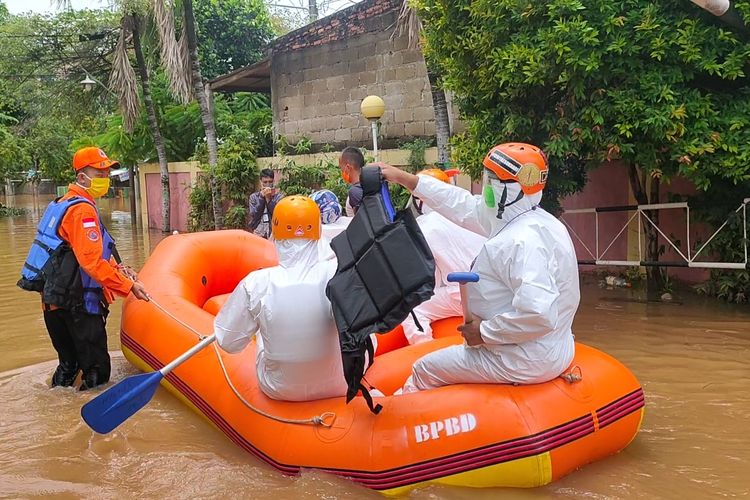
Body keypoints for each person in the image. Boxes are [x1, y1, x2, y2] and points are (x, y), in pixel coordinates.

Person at [373, 142, 580, 392]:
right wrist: (405, 178)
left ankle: (395, 419)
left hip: (521, 358)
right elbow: (462, 204)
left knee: (424, 368)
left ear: (506, 188)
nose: (485, 188)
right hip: (551, 347)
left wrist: (483, 332)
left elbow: (538, 314)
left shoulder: (521, 242)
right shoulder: (538, 221)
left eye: (489, 180)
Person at [17, 147, 150, 390]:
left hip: (53, 302)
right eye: (99, 174)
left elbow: (76, 251)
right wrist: (129, 286)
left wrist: (119, 269)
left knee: (68, 366)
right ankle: (83, 427)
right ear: (81, 177)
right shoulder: (83, 210)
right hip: (78, 306)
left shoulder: (60, 204)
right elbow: (91, 263)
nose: (105, 179)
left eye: (107, 173)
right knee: (97, 373)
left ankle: (57, 414)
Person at [213, 195, 349, 401]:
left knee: (261, 332)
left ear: (275, 234)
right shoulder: (339, 272)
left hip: (280, 389)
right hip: (341, 384)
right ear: (318, 231)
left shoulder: (257, 282)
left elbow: (228, 342)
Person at [401, 169, 485, 345]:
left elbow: (427, 278)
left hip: (464, 294)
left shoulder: (426, 226)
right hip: (495, 292)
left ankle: (425, 352)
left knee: (412, 310)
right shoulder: (472, 214)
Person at [248, 168, 283, 238]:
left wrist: (268, 199)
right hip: (258, 231)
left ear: (273, 181)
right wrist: (261, 198)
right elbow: (254, 215)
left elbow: (277, 214)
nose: (268, 184)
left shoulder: (279, 197)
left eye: (270, 182)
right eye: (265, 182)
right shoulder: (254, 197)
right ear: (261, 182)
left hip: (273, 232)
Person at [338, 147, 365, 217]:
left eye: (341, 169)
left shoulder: (355, 192)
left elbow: (363, 223)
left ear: (347, 168)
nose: (342, 172)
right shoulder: (370, 185)